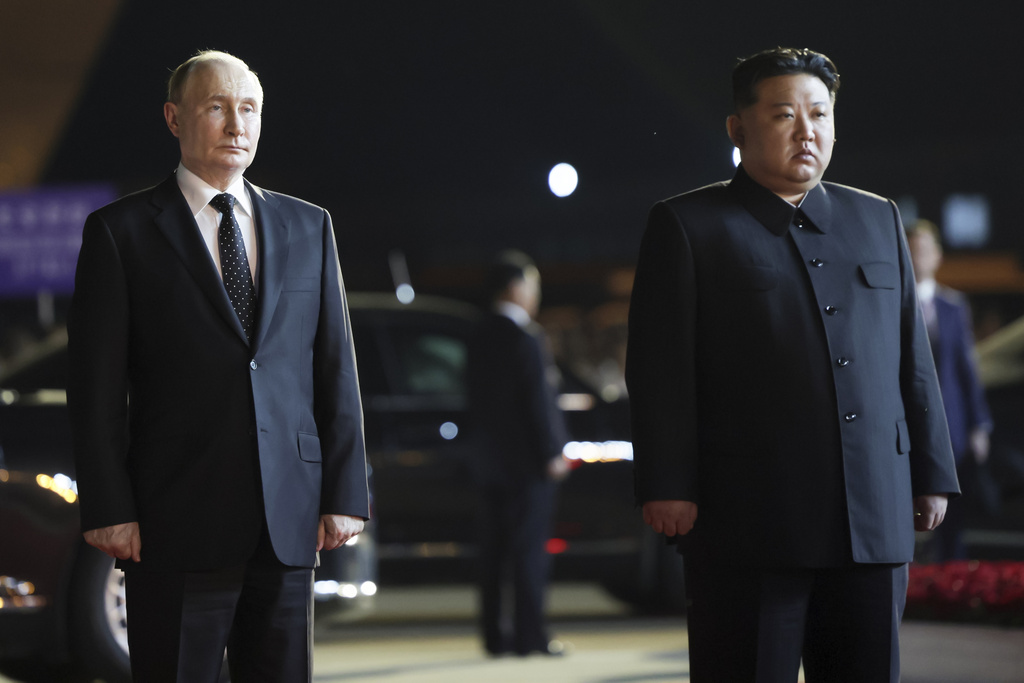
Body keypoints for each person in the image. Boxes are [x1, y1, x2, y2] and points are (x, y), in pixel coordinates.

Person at [625, 47, 960, 682]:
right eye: (783, 114)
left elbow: (913, 359)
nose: (807, 131)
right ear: (738, 128)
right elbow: (659, 368)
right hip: (749, 518)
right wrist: (667, 481)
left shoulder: (877, 217)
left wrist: (931, 471)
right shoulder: (688, 225)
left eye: (820, 113)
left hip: (871, 513)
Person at [66, 50, 369, 682]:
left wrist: (344, 493)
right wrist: (107, 507)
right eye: (216, 107)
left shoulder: (308, 226)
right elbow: (95, 390)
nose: (237, 124)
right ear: (174, 118)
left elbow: (335, 372)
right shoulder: (120, 233)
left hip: (285, 525)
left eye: (249, 109)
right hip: (172, 525)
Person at [466, 250, 571, 657]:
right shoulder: (525, 337)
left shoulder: (477, 335)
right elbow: (538, 403)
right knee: (529, 553)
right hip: (528, 466)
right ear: (515, 288)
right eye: (533, 285)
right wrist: (553, 452)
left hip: (489, 464)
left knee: (493, 554)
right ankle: (530, 637)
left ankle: (495, 636)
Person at [906, 219, 993, 560]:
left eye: (924, 250)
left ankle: (948, 576)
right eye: (911, 250)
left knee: (952, 510)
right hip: (907, 422)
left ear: (937, 256)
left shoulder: (954, 306)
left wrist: (979, 424)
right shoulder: (888, 303)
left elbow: (967, 370)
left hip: (951, 422)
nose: (917, 258)